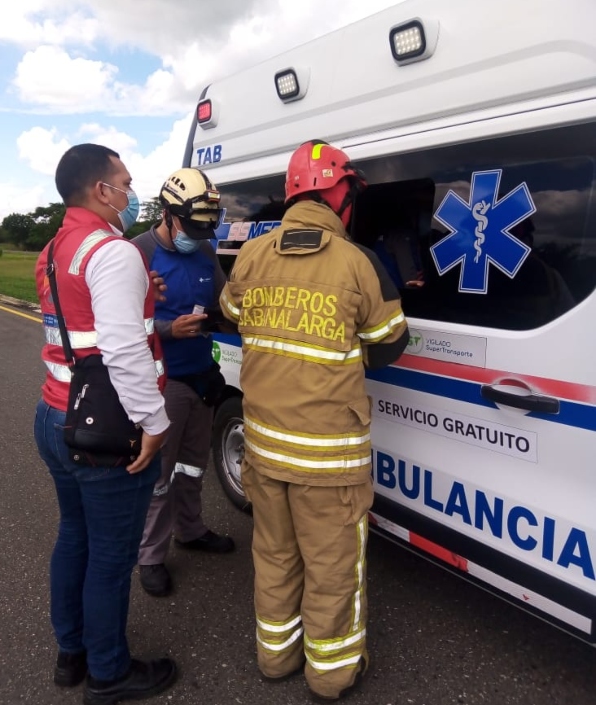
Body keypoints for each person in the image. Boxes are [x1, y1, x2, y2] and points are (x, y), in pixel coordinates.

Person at [219, 139, 409, 701]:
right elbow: (389, 343)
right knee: (332, 567)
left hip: (264, 448)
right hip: (328, 459)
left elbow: (232, 315)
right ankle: (331, 675)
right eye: (351, 192)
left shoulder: (252, 254)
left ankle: (275, 657)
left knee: (275, 555)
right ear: (338, 192)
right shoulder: (358, 262)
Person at [33, 142, 178, 705]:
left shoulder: (55, 249)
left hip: (55, 414)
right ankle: (109, 674)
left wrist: (140, 294)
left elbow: (80, 317)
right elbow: (122, 349)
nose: (131, 192)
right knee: (112, 557)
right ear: (102, 190)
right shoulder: (113, 252)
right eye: (126, 182)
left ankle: (71, 654)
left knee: (75, 535)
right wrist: (154, 423)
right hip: (106, 427)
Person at [130, 167, 236, 598]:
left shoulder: (205, 249)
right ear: (168, 215)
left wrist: (224, 316)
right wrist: (169, 330)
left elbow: (223, 301)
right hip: (163, 381)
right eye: (191, 228)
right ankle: (150, 556)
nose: (198, 236)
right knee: (159, 475)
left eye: (204, 229)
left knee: (193, 465)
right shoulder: (137, 252)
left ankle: (190, 530)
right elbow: (121, 326)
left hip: (202, 375)